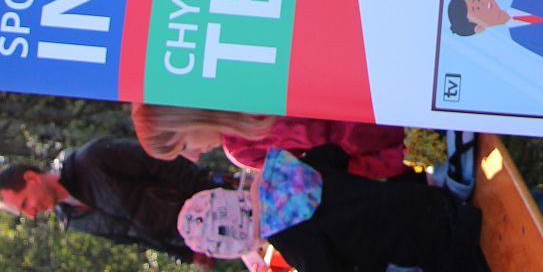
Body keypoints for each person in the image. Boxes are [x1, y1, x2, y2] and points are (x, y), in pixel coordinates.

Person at [176, 144, 510, 272]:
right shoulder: (285, 170)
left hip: (442, 253)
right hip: (433, 205)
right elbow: (333, 154)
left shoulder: (286, 233)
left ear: (237, 245)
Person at [0, 137, 221, 261]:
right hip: (207, 242)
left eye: (25, 203)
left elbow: (161, 162)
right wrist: (188, 255)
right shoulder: (73, 221)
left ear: (31, 178)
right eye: (22, 212)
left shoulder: (92, 159)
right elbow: (136, 238)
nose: (31, 214)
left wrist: (210, 191)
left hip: (217, 203)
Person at [131, 102, 408, 180]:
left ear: (184, 117)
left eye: (183, 146)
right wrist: (401, 157)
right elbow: (330, 171)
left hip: (384, 106)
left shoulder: (242, 149)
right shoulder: (242, 151)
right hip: (392, 141)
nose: (194, 157)